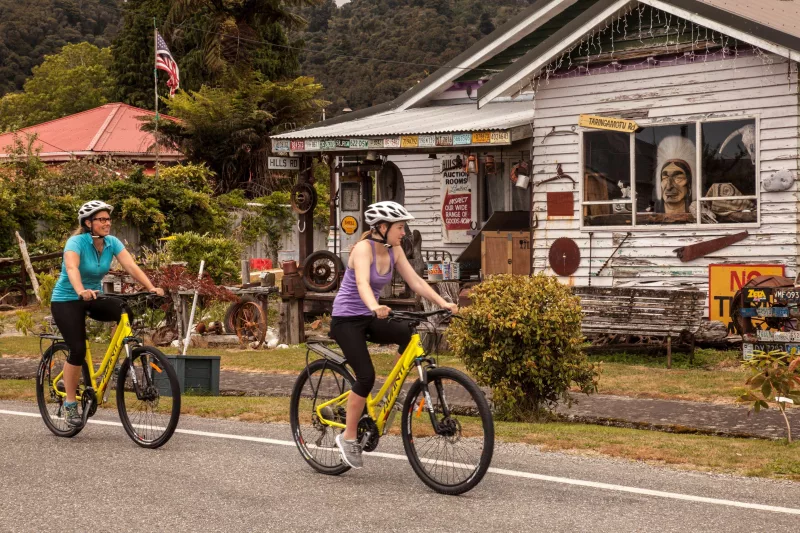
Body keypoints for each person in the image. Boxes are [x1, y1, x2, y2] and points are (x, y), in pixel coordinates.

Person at [330, 201, 458, 468]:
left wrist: (442, 302)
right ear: (382, 227)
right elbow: (363, 283)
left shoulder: (394, 250)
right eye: (400, 227)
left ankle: (394, 390)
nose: (404, 232)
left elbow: (416, 281)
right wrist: (375, 306)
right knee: (365, 377)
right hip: (346, 320)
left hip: (370, 316)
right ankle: (349, 436)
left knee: (407, 333)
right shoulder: (363, 249)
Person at [50, 200, 164, 427]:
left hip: (94, 297)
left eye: (108, 219)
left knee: (124, 311)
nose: (107, 223)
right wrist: (80, 290)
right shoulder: (76, 242)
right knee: (78, 349)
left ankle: (113, 360)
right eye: (101, 219)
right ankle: (71, 405)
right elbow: (72, 268)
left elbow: (131, 266)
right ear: (88, 223)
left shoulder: (111, 243)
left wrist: (150, 287)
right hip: (67, 299)